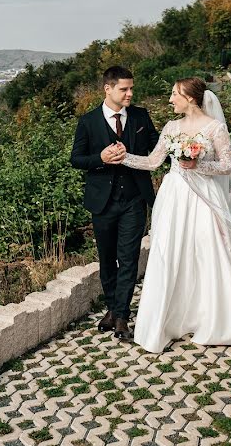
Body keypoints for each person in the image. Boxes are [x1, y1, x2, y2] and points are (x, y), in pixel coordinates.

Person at [115, 77, 231, 353]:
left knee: (209, 249)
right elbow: (153, 161)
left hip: (204, 198)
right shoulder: (171, 127)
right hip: (174, 197)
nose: (170, 100)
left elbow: (227, 166)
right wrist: (123, 157)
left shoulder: (215, 128)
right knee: (171, 252)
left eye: (174, 94)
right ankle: (171, 319)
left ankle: (216, 317)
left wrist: (198, 164)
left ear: (191, 98)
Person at [70, 66, 160, 341]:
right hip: (102, 203)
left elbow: (158, 147)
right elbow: (76, 159)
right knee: (107, 259)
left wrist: (185, 147)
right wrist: (100, 158)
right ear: (107, 89)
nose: (130, 93)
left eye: (131, 88)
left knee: (129, 258)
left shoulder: (140, 116)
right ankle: (111, 308)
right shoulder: (88, 121)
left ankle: (121, 316)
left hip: (134, 199)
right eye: (124, 89)